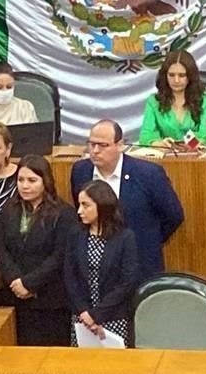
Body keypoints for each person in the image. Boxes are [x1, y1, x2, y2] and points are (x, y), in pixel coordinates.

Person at [70, 119, 183, 278]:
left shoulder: (148, 174)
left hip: (140, 263)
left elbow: (174, 216)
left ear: (120, 145)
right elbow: (81, 211)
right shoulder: (81, 171)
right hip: (98, 268)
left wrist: (149, 240)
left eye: (103, 145)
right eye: (91, 144)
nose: (95, 151)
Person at [0, 155, 78, 346]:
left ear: (45, 181)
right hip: (14, 297)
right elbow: (0, 248)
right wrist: (15, 280)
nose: (25, 186)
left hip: (50, 301)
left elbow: (59, 255)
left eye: (32, 180)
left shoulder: (64, 214)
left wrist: (30, 283)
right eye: (21, 180)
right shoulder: (8, 210)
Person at [65, 180, 139, 347]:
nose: (79, 211)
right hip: (81, 317)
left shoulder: (125, 238)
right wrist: (84, 312)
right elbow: (70, 276)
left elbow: (127, 282)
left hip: (113, 316)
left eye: (86, 205)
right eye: (79, 205)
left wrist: (96, 315)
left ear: (102, 206)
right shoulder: (75, 234)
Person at [138, 50, 206, 148]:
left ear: (190, 76)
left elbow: (205, 135)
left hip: (196, 156)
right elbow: (145, 136)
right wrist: (159, 144)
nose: (176, 80)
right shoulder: (154, 101)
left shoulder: (205, 100)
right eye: (171, 75)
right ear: (165, 75)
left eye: (182, 75)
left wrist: (189, 144)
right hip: (164, 156)